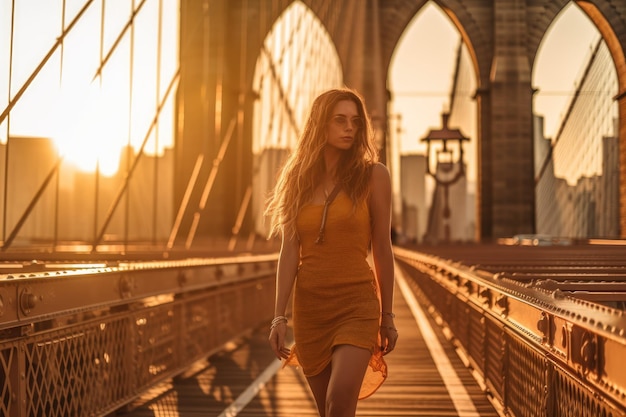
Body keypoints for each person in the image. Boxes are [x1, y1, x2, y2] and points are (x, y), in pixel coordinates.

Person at [265, 87, 397, 417]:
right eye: (339, 120)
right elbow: (289, 251)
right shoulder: (298, 179)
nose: (349, 127)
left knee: (339, 400)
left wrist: (388, 317)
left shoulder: (374, 176)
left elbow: (382, 247)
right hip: (311, 310)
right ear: (320, 125)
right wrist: (278, 317)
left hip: (356, 303)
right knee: (327, 411)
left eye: (355, 121)